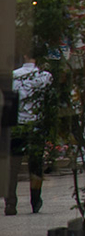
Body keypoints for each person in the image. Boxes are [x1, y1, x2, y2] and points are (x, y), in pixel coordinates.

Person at [6, 54, 51, 215]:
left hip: (17, 126)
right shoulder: (45, 77)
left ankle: (10, 203)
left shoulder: (13, 76)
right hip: (36, 127)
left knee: (13, 168)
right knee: (36, 166)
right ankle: (35, 200)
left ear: (24, 56)